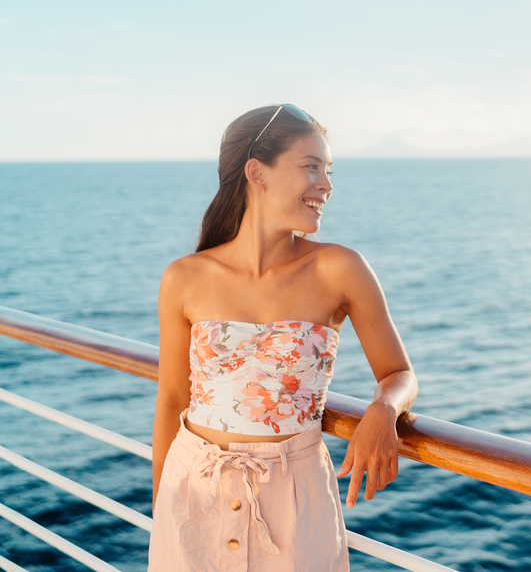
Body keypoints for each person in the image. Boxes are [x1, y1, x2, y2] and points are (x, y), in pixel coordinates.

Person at [149, 104, 417, 571]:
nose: (327, 185)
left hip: (296, 501)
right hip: (191, 492)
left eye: (328, 171)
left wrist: (384, 408)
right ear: (257, 172)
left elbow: (399, 373)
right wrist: (162, 514)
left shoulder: (340, 268)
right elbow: (173, 400)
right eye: (311, 167)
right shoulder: (185, 278)